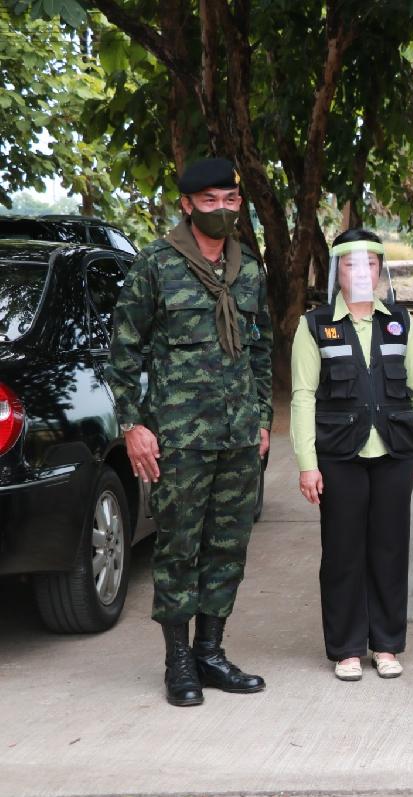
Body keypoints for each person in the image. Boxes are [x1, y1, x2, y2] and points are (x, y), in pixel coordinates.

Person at [107, 157, 272, 707]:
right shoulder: (156, 264)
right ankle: (178, 661)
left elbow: (261, 348)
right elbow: (123, 351)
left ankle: (211, 652)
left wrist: (262, 419)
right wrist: (132, 424)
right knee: (179, 548)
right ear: (187, 205)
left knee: (228, 547)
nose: (222, 209)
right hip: (177, 439)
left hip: (238, 437)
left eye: (230, 200)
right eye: (209, 201)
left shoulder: (249, 269)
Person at [290, 228, 413, 681]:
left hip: (395, 452)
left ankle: (387, 645)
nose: (361, 272)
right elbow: (303, 396)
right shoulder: (315, 325)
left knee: (390, 550)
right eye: (351, 263)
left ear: (379, 270)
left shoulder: (399, 321)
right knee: (342, 552)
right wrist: (307, 464)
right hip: (339, 455)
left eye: (370, 263)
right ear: (337, 271)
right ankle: (347, 648)